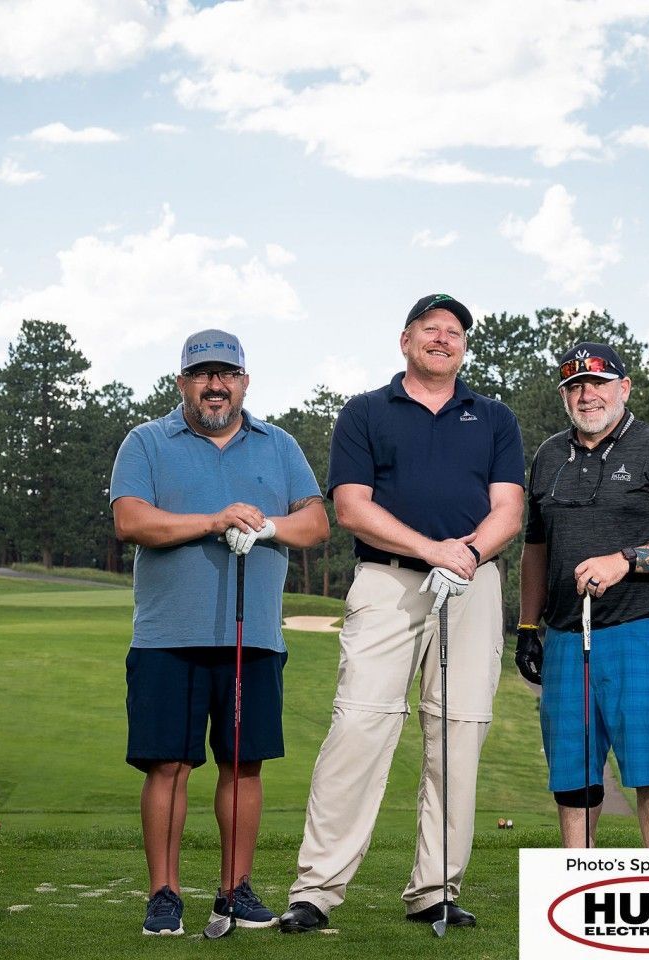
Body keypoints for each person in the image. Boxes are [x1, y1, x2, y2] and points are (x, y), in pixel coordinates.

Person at [279, 294, 524, 933]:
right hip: (388, 582)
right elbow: (352, 508)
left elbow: (509, 509)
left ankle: (435, 890)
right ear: (405, 340)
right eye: (430, 329)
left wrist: (467, 554)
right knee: (360, 726)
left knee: (457, 734)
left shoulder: (494, 418)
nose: (442, 339)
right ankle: (317, 890)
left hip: (472, 584)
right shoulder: (365, 411)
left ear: (463, 347)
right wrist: (432, 550)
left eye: (454, 332)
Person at [110, 329, 329, 935]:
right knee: (168, 766)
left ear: (244, 382)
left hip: (252, 638)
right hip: (167, 637)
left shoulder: (279, 444)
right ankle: (164, 894)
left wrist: (267, 528)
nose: (216, 385)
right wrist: (214, 520)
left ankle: (235, 890)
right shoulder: (147, 441)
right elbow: (131, 520)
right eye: (203, 374)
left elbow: (316, 523)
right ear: (182, 382)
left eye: (227, 374)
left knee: (243, 765)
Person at [515, 341, 649, 848]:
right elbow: (535, 547)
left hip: (637, 632)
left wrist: (626, 560)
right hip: (564, 637)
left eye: (598, 384)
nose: (587, 396)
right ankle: (578, 881)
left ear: (624, 387)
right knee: (572, 773)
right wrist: (528, 626)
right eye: (575, 386)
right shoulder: (549, 455)